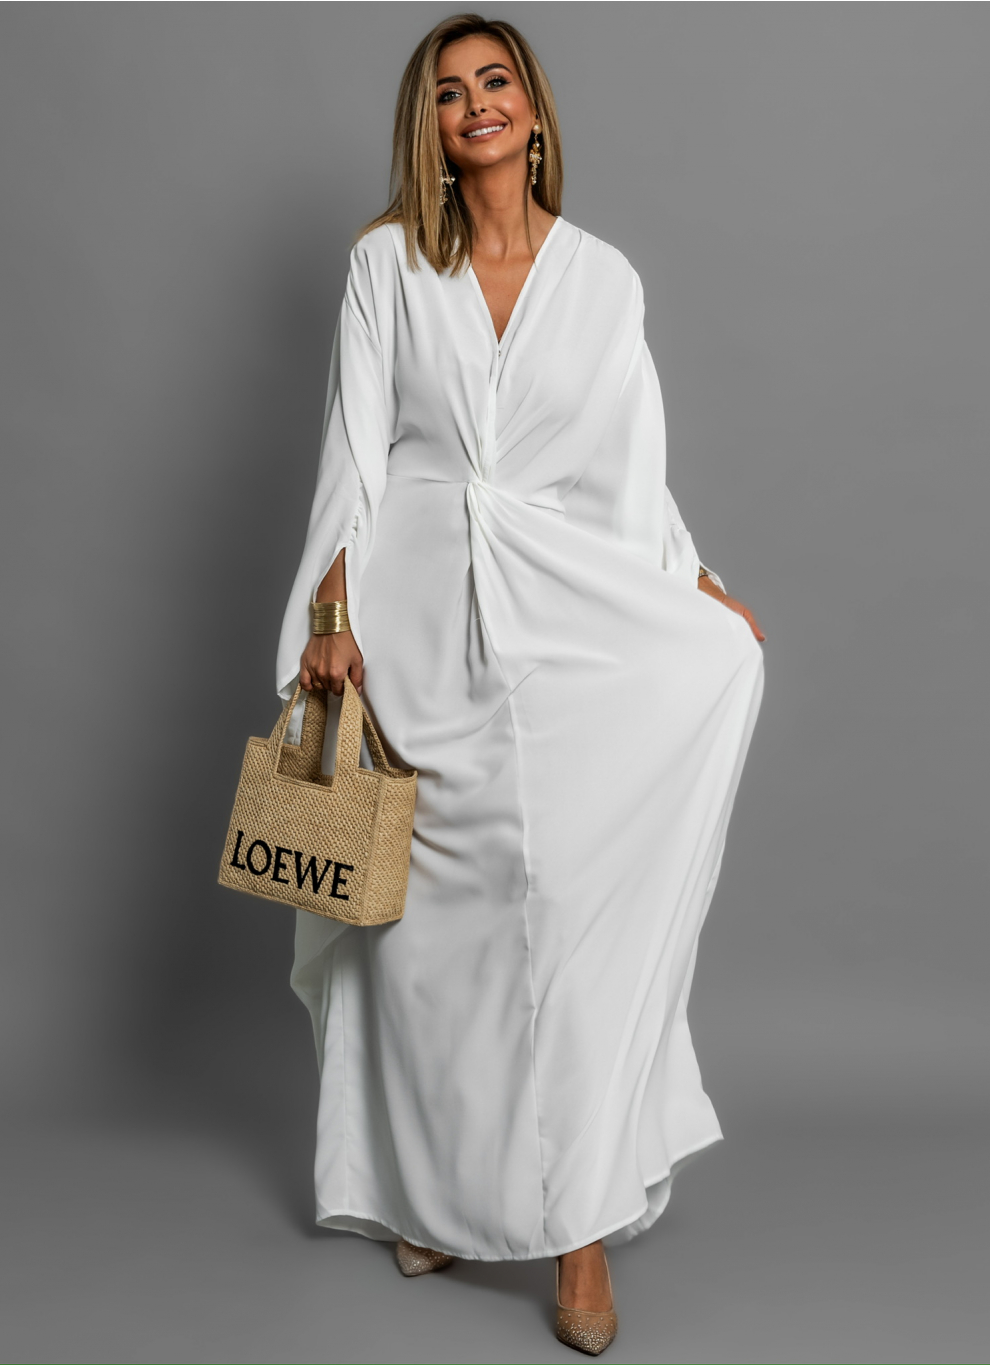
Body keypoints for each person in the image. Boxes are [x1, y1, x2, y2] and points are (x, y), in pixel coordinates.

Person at [276, 13, 765, 1355]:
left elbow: (631, 466)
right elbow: (356, 452)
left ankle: (579, 1233)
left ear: (534, 111)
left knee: (562, 921)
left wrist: (693, 582)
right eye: (450, 92)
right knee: (425, 936)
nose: (476, 104)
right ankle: (431, 1196)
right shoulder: (384, 264)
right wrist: (332, 615)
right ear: (429, 127)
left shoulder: (602, 280)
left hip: (558, 616)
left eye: (496, 82)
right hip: (416, 617)